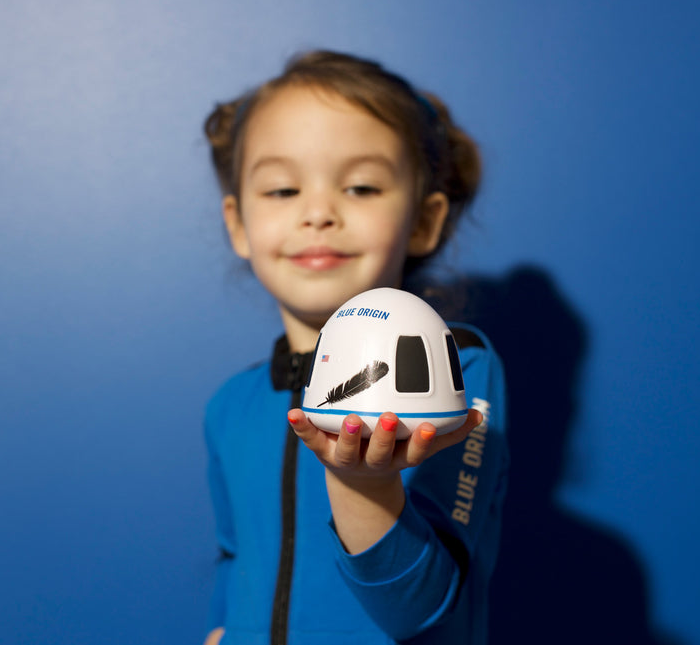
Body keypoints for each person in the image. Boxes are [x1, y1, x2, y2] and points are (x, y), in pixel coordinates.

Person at [201, 51, 508, 645]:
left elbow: (425, 609)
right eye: (283, 188)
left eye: (361, 186)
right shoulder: (230, 404)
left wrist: (365, 485)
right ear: (238, 224)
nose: (318, 213)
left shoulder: (456, 368)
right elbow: (233, 554)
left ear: (423, 221)